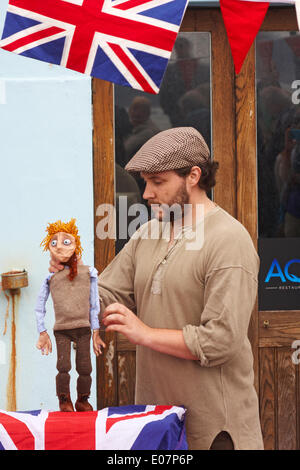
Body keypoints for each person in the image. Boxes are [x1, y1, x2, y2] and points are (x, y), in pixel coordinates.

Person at [50, 128, 263, 449]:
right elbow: (104, 296)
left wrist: (144, 333)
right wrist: (71, 276)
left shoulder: (229, 241)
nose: (146, 193)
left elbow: (222, 341)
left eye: (158, 182)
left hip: (213, 430)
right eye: (145, 182)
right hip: (154, 426)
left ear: (193, 176)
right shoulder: (148, 233)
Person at [36, 218, 105, 412]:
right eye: (54, 242)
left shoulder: (88, 273)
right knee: (63, 366)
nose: (59, 247)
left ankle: (82, 399)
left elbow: (93, 303)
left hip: (83, 329)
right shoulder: (51, 277)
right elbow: (39, 305)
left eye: (66, 241)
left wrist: (96, 332)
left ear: (76, 244)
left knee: (85, 368)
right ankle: (64, 400)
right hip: (62, 330)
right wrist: (42, 331)